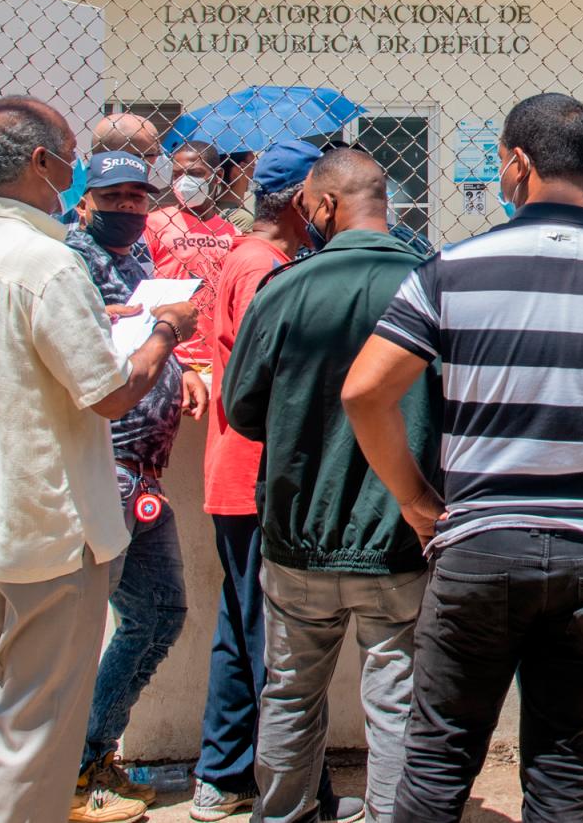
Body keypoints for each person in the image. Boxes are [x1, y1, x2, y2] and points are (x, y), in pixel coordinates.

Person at [343, 93, 583, 823]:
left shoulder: (451, 269)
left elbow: (363, 393)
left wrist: (416, 501)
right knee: (563, 770)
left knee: (438, 762)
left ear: (517, 162)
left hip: (478, 548)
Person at [0, 97, 196, 823]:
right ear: (44, 162)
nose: (76, 161)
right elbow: (109, 394)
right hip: (49, 532)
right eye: (71, 148)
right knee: (35, 733)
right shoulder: (49, 263)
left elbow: (24, 349)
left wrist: (115, 319)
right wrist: (164, 328)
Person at [223, 150, 435, 823]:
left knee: (288, 693)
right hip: (404, 535)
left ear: (322, 206)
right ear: (386, 203)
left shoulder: (284, 288)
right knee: (398, 698)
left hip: (298, 538)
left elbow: (242, 409)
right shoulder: (432, 285)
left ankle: (282, 815)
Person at [190, 140, 354, 821]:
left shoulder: (246, 257)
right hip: (261, 473)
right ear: (300, 202)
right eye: (321, 198)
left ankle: (222, 775)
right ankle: (299, 793)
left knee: (242, 624)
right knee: (276, 641)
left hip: (236, 469)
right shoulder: (266, 269)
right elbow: (284, 376)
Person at [65, 151, 207, 816]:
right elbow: (89, 347)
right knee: (100, 619)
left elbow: (156, 340)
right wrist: (135, 321)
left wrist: (187, 367)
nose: (127, 207)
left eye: (137, 197)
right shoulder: (71, 259)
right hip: (103, 465)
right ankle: (75, 768)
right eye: (113, 195)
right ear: (85, 200)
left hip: (142, 469)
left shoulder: (140, 258)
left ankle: (92, 754)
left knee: (159, 611)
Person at [145, 140, 237, 386]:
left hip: (216, 357)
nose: (184, 182)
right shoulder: (153, 224)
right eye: (177, 175)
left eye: (195, 174)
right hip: (169, 356)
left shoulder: (232, 233)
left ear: (216, 176)